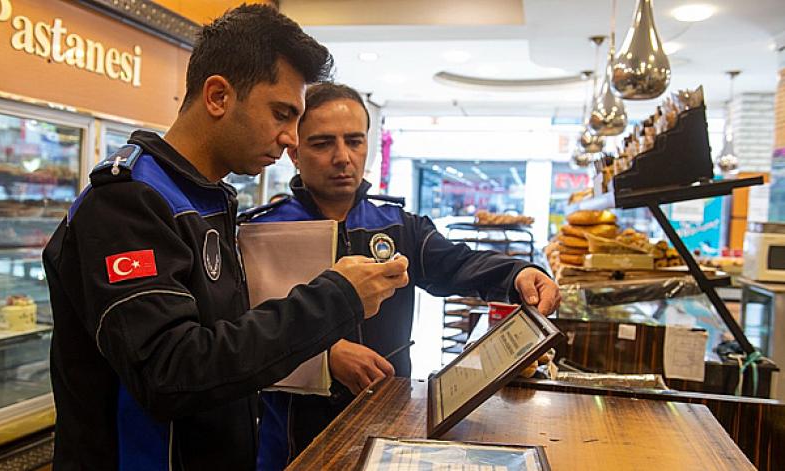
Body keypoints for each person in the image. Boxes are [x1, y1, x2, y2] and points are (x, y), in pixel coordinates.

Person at [42, 7, 409, 470]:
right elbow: (171, 370)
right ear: (217, 96)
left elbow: (229, 348)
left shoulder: (208, 200)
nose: (290, 139)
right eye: (282, 114)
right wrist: (335, 298)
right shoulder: (128, 203)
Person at [242, 83, 562, 469]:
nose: (343, 157)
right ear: (294, 152)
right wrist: (321, 357)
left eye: (355, 141)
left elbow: (457, 263)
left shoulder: (397, 225)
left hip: (388, 428)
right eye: (323, 143)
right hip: (292, 442)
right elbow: (239, 336)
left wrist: (518, 274)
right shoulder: (263, 231)